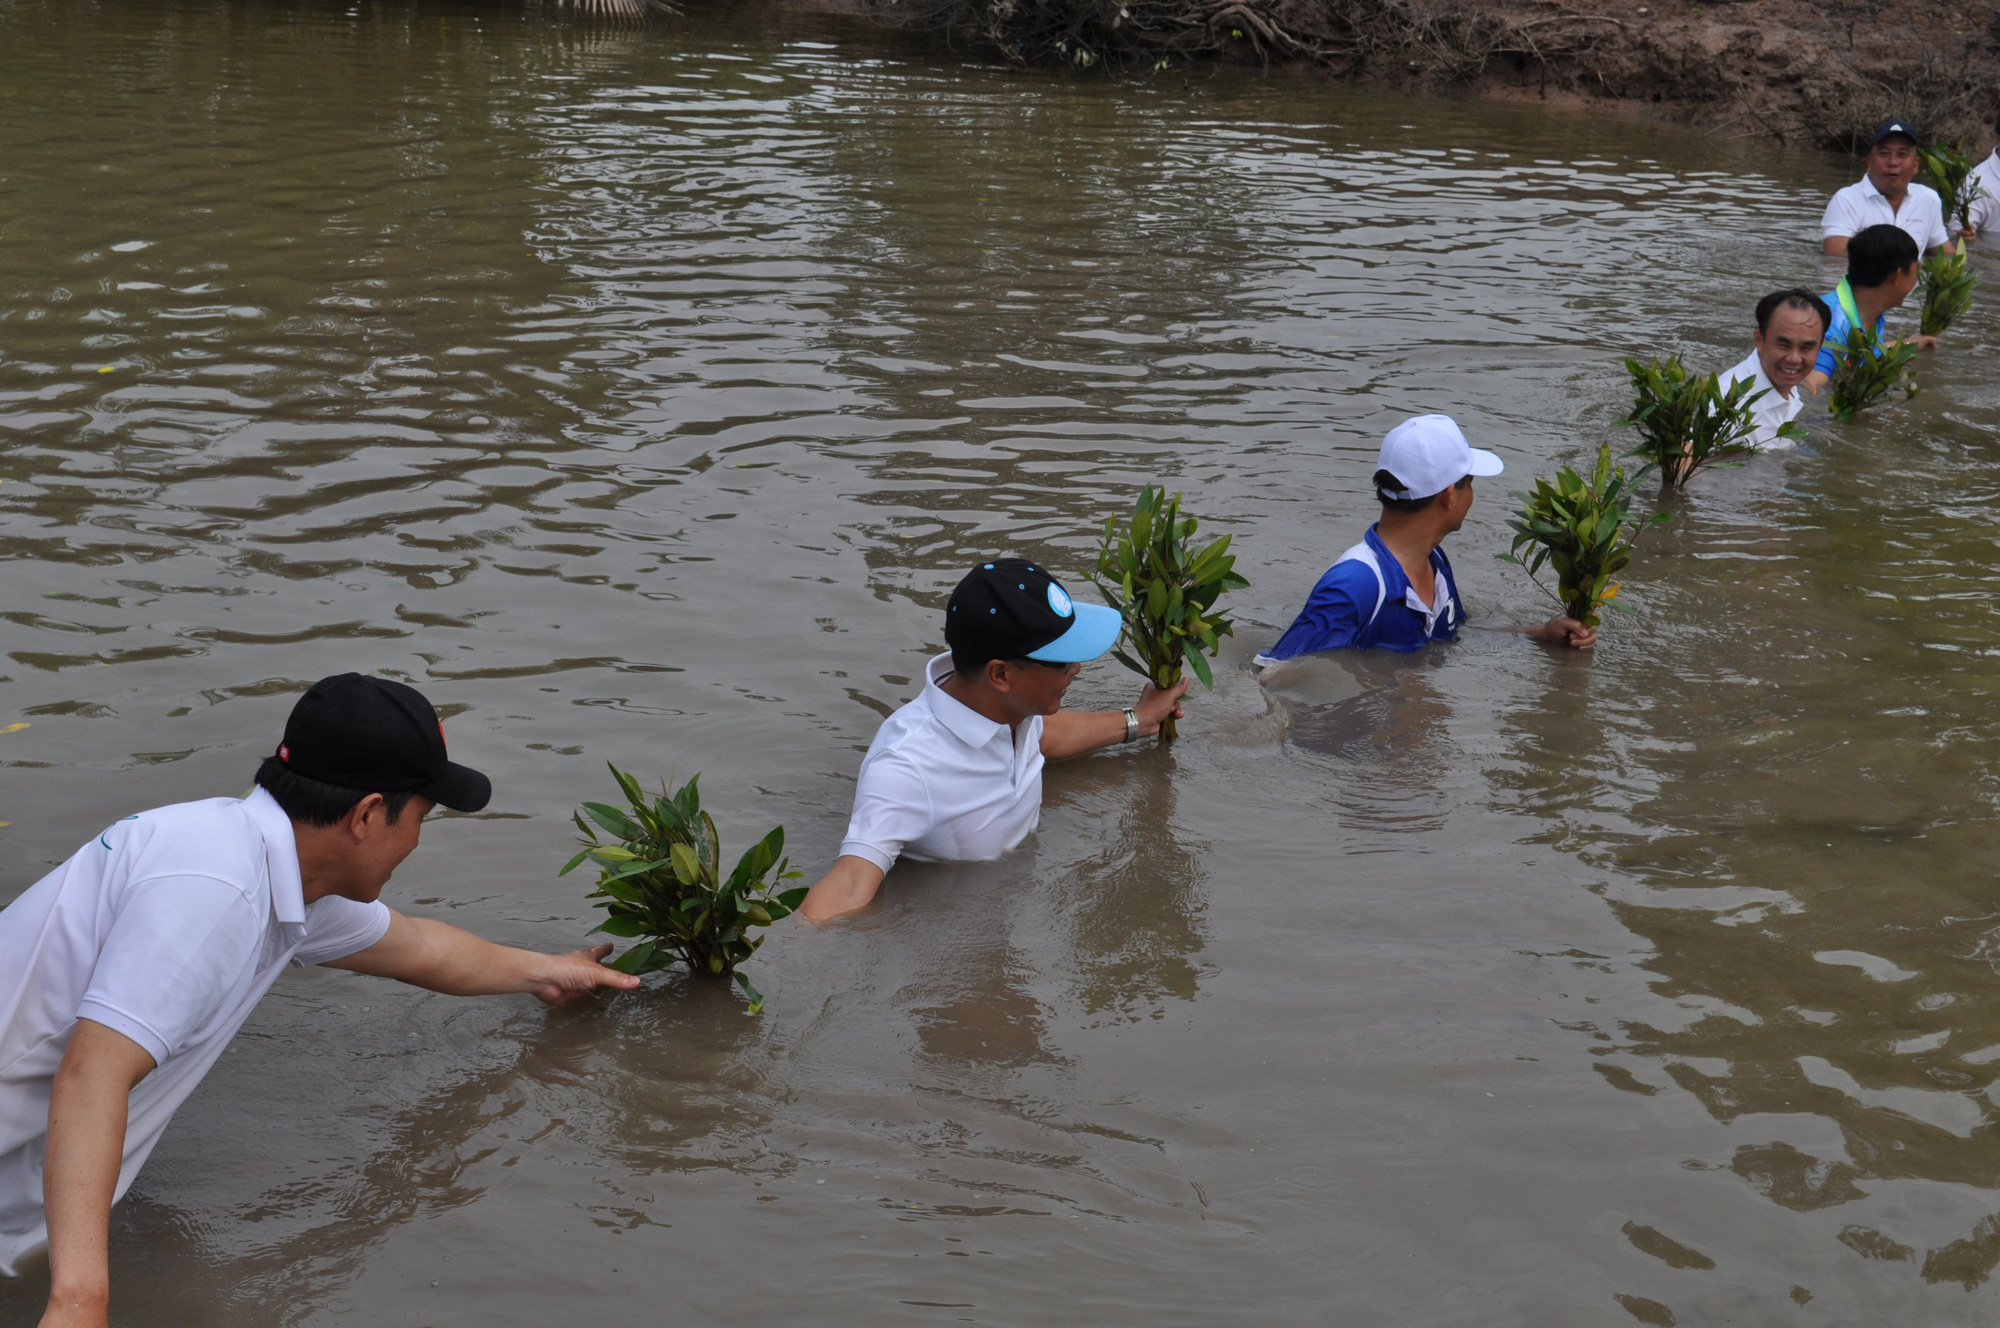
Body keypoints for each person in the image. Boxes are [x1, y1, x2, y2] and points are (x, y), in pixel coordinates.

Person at [0, 674, 638, 1322]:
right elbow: (92, 1072)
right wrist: (80, 1298)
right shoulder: (220, 890)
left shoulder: (266, 869)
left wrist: (551, 972)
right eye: (419, 818)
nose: (416, 842)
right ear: (365, 815)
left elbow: (421, 949)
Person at [799, 560, 1186, 923]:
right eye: (1062, 661)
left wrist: (1139, 720)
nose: (1077, 669)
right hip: (956, 933)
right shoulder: (906, 767)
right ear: (1000, 674)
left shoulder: (1017, 710)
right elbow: (848, 887)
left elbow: (1044, 738)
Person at [1253, 414, 1594, 666]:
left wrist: (1540, 634)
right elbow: (1274, 675)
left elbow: (1454, 635)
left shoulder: (1435, 563)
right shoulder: (1353, 587)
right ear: (1449, 496)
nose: (1473, 494)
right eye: (1470, 482)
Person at [1804, 224, 1934, 394]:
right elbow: (1808, 387)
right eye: (1917, 270)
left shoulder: (1869, 310)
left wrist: (1908, 344)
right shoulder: (1831, 325)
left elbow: (1859, 352)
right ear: (1897, 275)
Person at [1821, 119, 1952, 258]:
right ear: (1869, 162)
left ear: (1916, 165)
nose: (1893, 162)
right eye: (1884, 153)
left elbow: (1947, 255)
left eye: (1902, 154)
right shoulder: (1846, 199)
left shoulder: (1928, 199)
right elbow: (1834, 258)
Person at [1717, 289, 1831, 449]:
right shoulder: (1728, 403)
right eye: (1784, 345)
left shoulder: (1786, 385)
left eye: (1806, 347)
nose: (1794, 359)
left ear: (1820, 346)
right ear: (1759, 339)